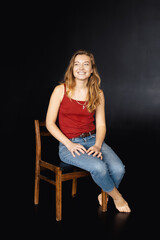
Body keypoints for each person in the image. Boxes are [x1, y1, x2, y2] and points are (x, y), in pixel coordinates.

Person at [46, 49, 131, 212]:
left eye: (86, 64)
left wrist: (98, 145)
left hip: (93, 140)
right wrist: (69, 145)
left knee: (119, 169)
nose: (81, 68)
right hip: (69, 145)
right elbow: (50, 123)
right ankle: (118, 197)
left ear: (92, 69)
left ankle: (104, 194)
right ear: (72, 68)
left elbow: (101, 125)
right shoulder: (60, 90)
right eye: (76, 64)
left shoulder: (98, 93)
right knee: (99, 168)